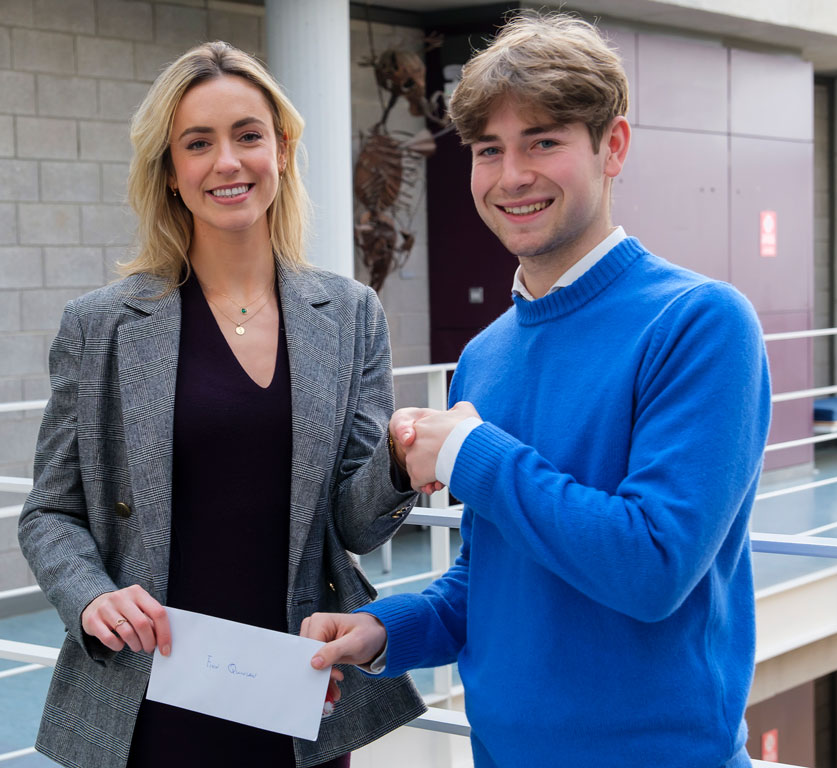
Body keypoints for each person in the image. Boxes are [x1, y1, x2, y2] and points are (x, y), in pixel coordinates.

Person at [302, 12, 772, 768]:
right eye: (490, 150)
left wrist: (472, 452)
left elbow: (651, 567)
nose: (511, 175)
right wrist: (389, 628)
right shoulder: (486, 356)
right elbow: (496, 574)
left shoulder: (701, 323)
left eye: (544, 142)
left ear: (612, 146)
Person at [18, 41, 425, 768]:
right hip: (148, 694)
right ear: (171, 172)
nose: (228, 162)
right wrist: (89, 598)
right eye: (198, 143)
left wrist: (398, 462)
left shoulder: (353, 314)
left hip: (296, 694)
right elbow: (51, 510)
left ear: (282, 149)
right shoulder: (101, 325)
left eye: (248, 135)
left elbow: (356, 528)